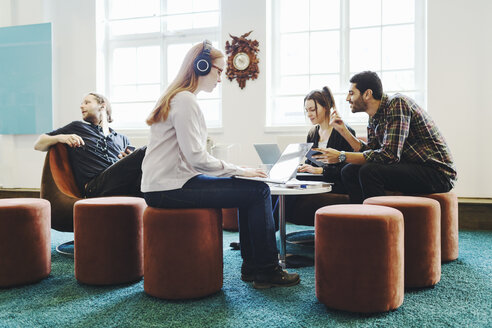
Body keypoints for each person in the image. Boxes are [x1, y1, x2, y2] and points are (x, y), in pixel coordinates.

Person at [140, 40, 300, 289]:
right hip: (169, 188)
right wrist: (240, 170)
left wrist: (240, 173)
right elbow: (197, 158)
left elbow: (194, 158)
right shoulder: (185, 100)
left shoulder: (180, 98)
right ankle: (266, 269)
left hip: (167, 184)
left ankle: (253, 267)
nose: (220, 78)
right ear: (201, 66)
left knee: (250, 188)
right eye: (219, 71)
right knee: (259, 191)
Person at [313, 71, 457, 203]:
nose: (347, 98)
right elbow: (370, 151)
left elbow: (389, 156)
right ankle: (360, 219)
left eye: (351, 93)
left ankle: (378, 223)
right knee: (349, 170)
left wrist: (341, 156)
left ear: (367, 94)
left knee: (369, 171)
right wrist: (343, 130)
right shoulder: (374, 116)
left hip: (437, 173)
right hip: (410, 166)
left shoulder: (397, 104)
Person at [34, 92, 146, 198]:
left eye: (87, 103)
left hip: (119, 183)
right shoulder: (77, 127)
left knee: (145, 172)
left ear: (102, 107)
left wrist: (126, 160)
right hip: (94, 187)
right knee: (144, 151)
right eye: (82, 103)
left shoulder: (122, 139)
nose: (81, 106)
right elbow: (38, 144)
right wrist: (61, 137)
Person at [298, 86, 355, 194]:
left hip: (335, 182)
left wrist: (322, 170)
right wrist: (304, 167)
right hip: (316, 181)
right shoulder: (312, 134)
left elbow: (348, 167)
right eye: (307, 111)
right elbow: (310, 162)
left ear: (326, 107)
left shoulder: (343, 132)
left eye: (312, 110)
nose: (309, 114)